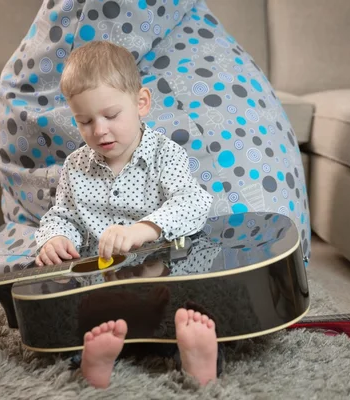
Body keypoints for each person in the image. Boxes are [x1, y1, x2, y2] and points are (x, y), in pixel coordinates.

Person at [33, 40, 217, 388]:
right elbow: (64, 216)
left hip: (161, 281)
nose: (98, 130)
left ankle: (197, 360)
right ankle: (94, 362)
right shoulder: (75, 166)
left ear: (141, 103)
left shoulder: (164, 153)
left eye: (111, 116)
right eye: (84, 121)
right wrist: (55, 238)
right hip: (103, 289)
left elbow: (194, 202)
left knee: (193, 314)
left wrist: (143, 229)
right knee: (72, 319)